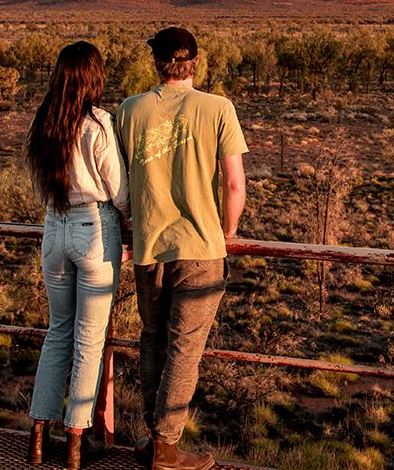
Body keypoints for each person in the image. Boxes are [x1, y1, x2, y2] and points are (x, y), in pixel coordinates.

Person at [115, 27, 246, 470]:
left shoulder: (129, 110)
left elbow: (120, 183)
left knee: (151, 340)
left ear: (157, 63)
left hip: (149, 245)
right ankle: (167, 448)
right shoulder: (218, 108)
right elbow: (233, 184)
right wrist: (228, 232)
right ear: (195, 63)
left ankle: (156, 442)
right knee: (184, 349)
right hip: (201, 247)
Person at [24, 41, 128, 470]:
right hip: (93, 230)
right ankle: (74, 442)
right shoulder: (98, 123)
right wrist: (132, 229)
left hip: (54, 228)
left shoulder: (43, 122)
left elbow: (37, 187)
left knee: (57, 333)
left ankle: (36, 435)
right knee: (89, 340)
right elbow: (119, 189)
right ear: (93, 77)